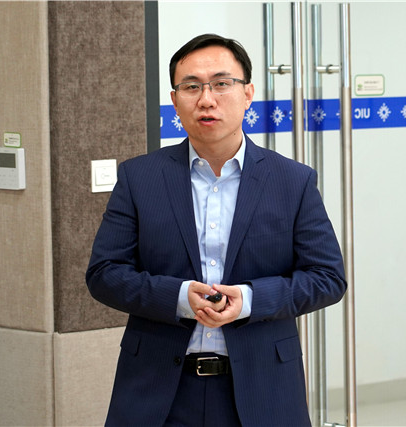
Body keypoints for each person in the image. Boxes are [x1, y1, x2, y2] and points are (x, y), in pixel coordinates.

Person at [86, 33, 346, 427]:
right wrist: (178, 297)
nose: (206, 99)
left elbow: (327, 278)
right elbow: (104, 274)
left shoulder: (292, 181)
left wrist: (250, 299)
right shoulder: (140, 178)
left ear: (248, 94)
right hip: (158, 389)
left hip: (263, 390)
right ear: (175, 101)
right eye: (191, 87)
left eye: (222, 83)